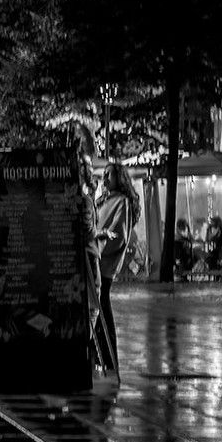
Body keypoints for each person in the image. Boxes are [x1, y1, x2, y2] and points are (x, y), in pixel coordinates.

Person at [88, 160, 138, 378]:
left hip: (104, 264)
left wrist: (98, 247)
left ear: (120, 178)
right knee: (97, 312)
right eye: (104, 174)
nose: (105, 178)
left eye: (110, 174)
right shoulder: (103, 200)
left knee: (102, 311)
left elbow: (119, 235)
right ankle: (100, 358)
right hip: (95, 261)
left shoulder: (122, 202)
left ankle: (108, 359)